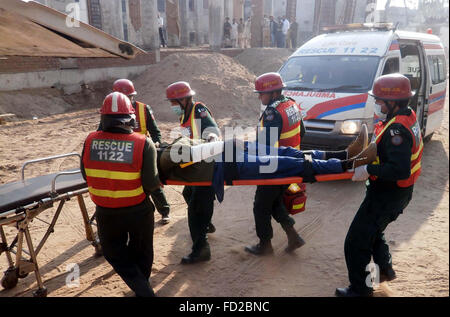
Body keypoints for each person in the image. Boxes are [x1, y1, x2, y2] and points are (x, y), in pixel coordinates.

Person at [336, 74, 424, 297]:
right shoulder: (405, 117)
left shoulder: (398, 131)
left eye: (380, 101)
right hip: (395, 193)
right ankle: (384, 271)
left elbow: (398, 169)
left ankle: (361, 289)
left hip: (388, 195)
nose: (377, 104)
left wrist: (368, 170)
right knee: (374, 232)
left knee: (356, 242)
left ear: (392, 102)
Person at [81, 92, 160, 297]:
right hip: (138, 210)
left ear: (103, 118)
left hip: (106, 212)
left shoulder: (90, 140)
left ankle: (141, 288)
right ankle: (144, 289)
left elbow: (85, 174)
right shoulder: (144, 143)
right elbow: (151, 183)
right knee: (142, 250)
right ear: (130, 119)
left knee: (114, 252)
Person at [245, 72, 332, 256]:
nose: (260, 97)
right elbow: (302, 132)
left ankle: (265, 245)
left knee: (260, 205)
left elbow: (265, 146)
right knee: (275, 203)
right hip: (291, 164)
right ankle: (294, 238)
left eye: (262, 93)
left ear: (274, 92)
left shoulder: (272, 112)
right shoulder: (291, 104)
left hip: (275, 167)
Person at [166, 81, 221, 264]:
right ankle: (206, 224)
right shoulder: (184, 116)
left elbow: (213, 131)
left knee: (196, 208)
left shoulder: (198, 110)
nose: (173, 106)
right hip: (197, 166)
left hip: (206, 166)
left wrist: (210, 140)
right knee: (188, 193)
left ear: (183, 99)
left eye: (174, 102)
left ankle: (201, 249)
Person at [112, 79, 171, 225]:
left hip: (144, 152)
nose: (127, 100)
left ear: (133, 96)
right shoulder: (111, 112)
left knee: (152, 182)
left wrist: (156, 142)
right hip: (123, 153)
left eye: (129, 97)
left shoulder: (143, 109)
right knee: (129, 184)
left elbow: (155, 131)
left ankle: (164, 211)